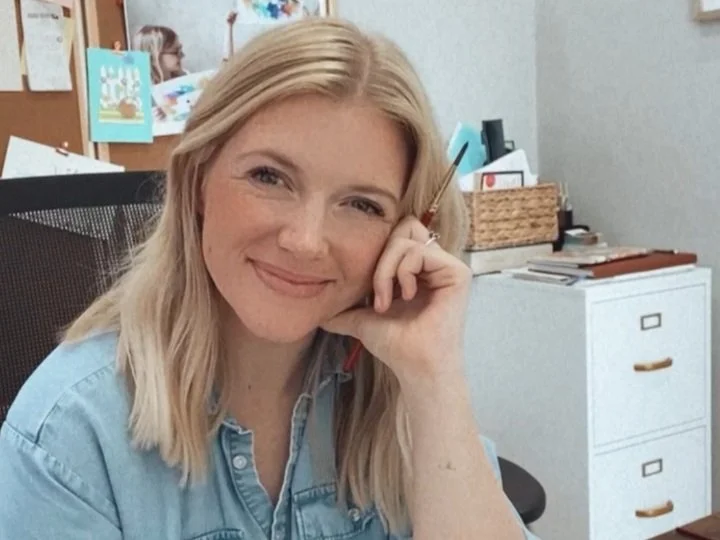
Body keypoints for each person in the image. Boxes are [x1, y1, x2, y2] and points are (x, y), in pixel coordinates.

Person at [0, 17, 539, 540]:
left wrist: (433, 378)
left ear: (407, 231)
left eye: (361, 204)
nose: (306, 241)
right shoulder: (71, 434)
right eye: (269, 177)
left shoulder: (401, 394)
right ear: (198, 180)